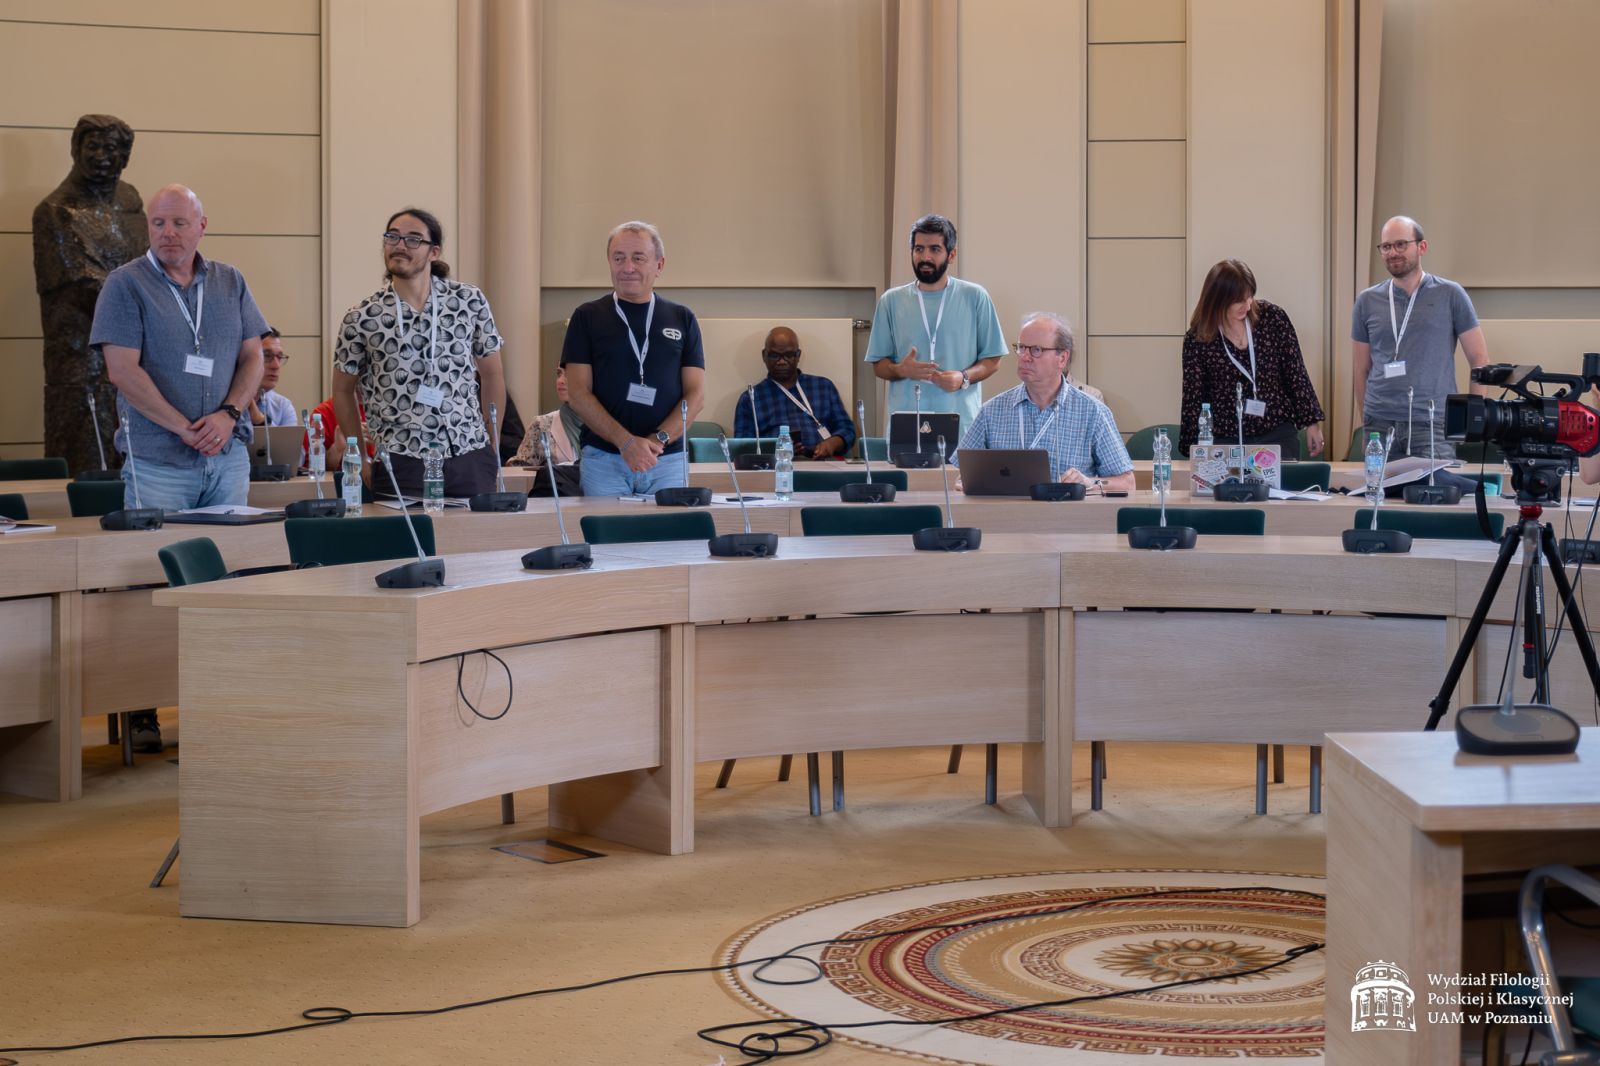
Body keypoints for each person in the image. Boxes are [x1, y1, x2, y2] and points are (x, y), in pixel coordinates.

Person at [90, 183, 267, 754]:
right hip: (158, 461)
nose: (169, 234)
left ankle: (224, 703)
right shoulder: (125, 284)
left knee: (226, 581)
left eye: (179, 224)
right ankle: (144, 711)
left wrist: (228, 413)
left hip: (227, 457)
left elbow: (252, 354)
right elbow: (122, 370)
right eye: (159, 224)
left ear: (202, 226)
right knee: (149, 582)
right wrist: (182, 425)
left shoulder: (230, 281)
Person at [332, 207, 506, 498]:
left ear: (434, 252)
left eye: (413, 239)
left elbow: (492, 374)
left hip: (468, 453)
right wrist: (359, 455)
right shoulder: (362, 317)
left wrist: (493, 444)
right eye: (393, 237)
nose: (400, 245)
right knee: (403, 543)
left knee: (475, 542)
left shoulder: (468, 301)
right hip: (401, 458)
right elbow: (341, 390)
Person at [32, 114, 148, 476]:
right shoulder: (54, 212)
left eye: (111, 148)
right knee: (89, 459)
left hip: (137, 350)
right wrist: (151, 307)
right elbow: (83, 284)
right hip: (81, 355)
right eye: (92, 146)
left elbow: (148, 261)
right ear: (75, 150)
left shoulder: (129, 200)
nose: (101, 156)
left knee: (135, 459)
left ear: (125, 156)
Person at [562, 220, 706, 496]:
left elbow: (696, 394)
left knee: (670, 538)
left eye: (638, 258)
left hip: (666, 460)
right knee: (606, 537)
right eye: (619, 258)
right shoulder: (586, 317)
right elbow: (578, 393)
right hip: (604, 461)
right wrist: (626, 443)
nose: (628, 268)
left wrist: (656, 441)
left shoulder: (682, 318)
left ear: (659, 266)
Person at [1353, 215, 1489, 459]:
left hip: (1432, 424)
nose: (1393, 252)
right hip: (1380, 425)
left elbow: (1479, 359)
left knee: (1433, 495)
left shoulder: (1451, 294)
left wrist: (1473, 419)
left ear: (1422, 247)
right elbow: (1361, 367)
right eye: (1386, 246)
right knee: (1378, 496)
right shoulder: (1367, 300)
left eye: (1401, 244)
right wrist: (1368, 418)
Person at [956, 312, 1134, 491]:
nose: (1024, 357)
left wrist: (1090, 482)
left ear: (1062, 358)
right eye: (1021, 347)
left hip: (1067, 516)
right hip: (1008, 515)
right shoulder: (992, 411)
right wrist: (963, 482)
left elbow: (1127, 482)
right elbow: (960, 473)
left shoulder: (1093, 412)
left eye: (1036, 350)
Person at [865, 214, 1007, 437]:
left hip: (961, 425)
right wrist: (900, 369)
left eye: (935, 249)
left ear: (952, 255)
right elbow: (878, 364)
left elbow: (993, 359)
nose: (925, 257)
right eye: (919, 249)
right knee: (905, 474)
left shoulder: (975, 296)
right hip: (906, 422)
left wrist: (963, 378)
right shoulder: (891, 301)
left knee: (959, 474)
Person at [1179, 259, 1325, 460]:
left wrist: (1312, 422)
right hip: (1226, 438)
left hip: (1276, 432)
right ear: (1218, 299)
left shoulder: (1273, 319)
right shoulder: (1198, 338)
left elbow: (1296, 373)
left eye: (1250, 297)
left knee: (1280, 491)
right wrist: (1191, 449)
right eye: (1239, 300)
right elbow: (1193, 397)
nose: (1247, 305)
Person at [732, 326, 856, 458]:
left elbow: (848, 430)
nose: (781, 362)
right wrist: (778, 448)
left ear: (798, 355)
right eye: (774, 355)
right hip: (776, 467)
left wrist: (832, 443)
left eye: (789, 355)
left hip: (823, 462)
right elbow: (742, 447)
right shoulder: (750, 398)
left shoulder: (824, 387)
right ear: (764, 355)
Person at [510, 366, 585, 496]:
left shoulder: (608, 426)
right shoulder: (542, 424)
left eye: (568, 375)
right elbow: (517, 472)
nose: (560, 381)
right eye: (559, 374)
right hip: (558, 506)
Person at [251, 327, 296, 426]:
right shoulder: (222, 401)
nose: (276, 366)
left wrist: (259, 419)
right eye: (267, 356)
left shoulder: (283, 406)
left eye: (279, 357)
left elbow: (287, 442)